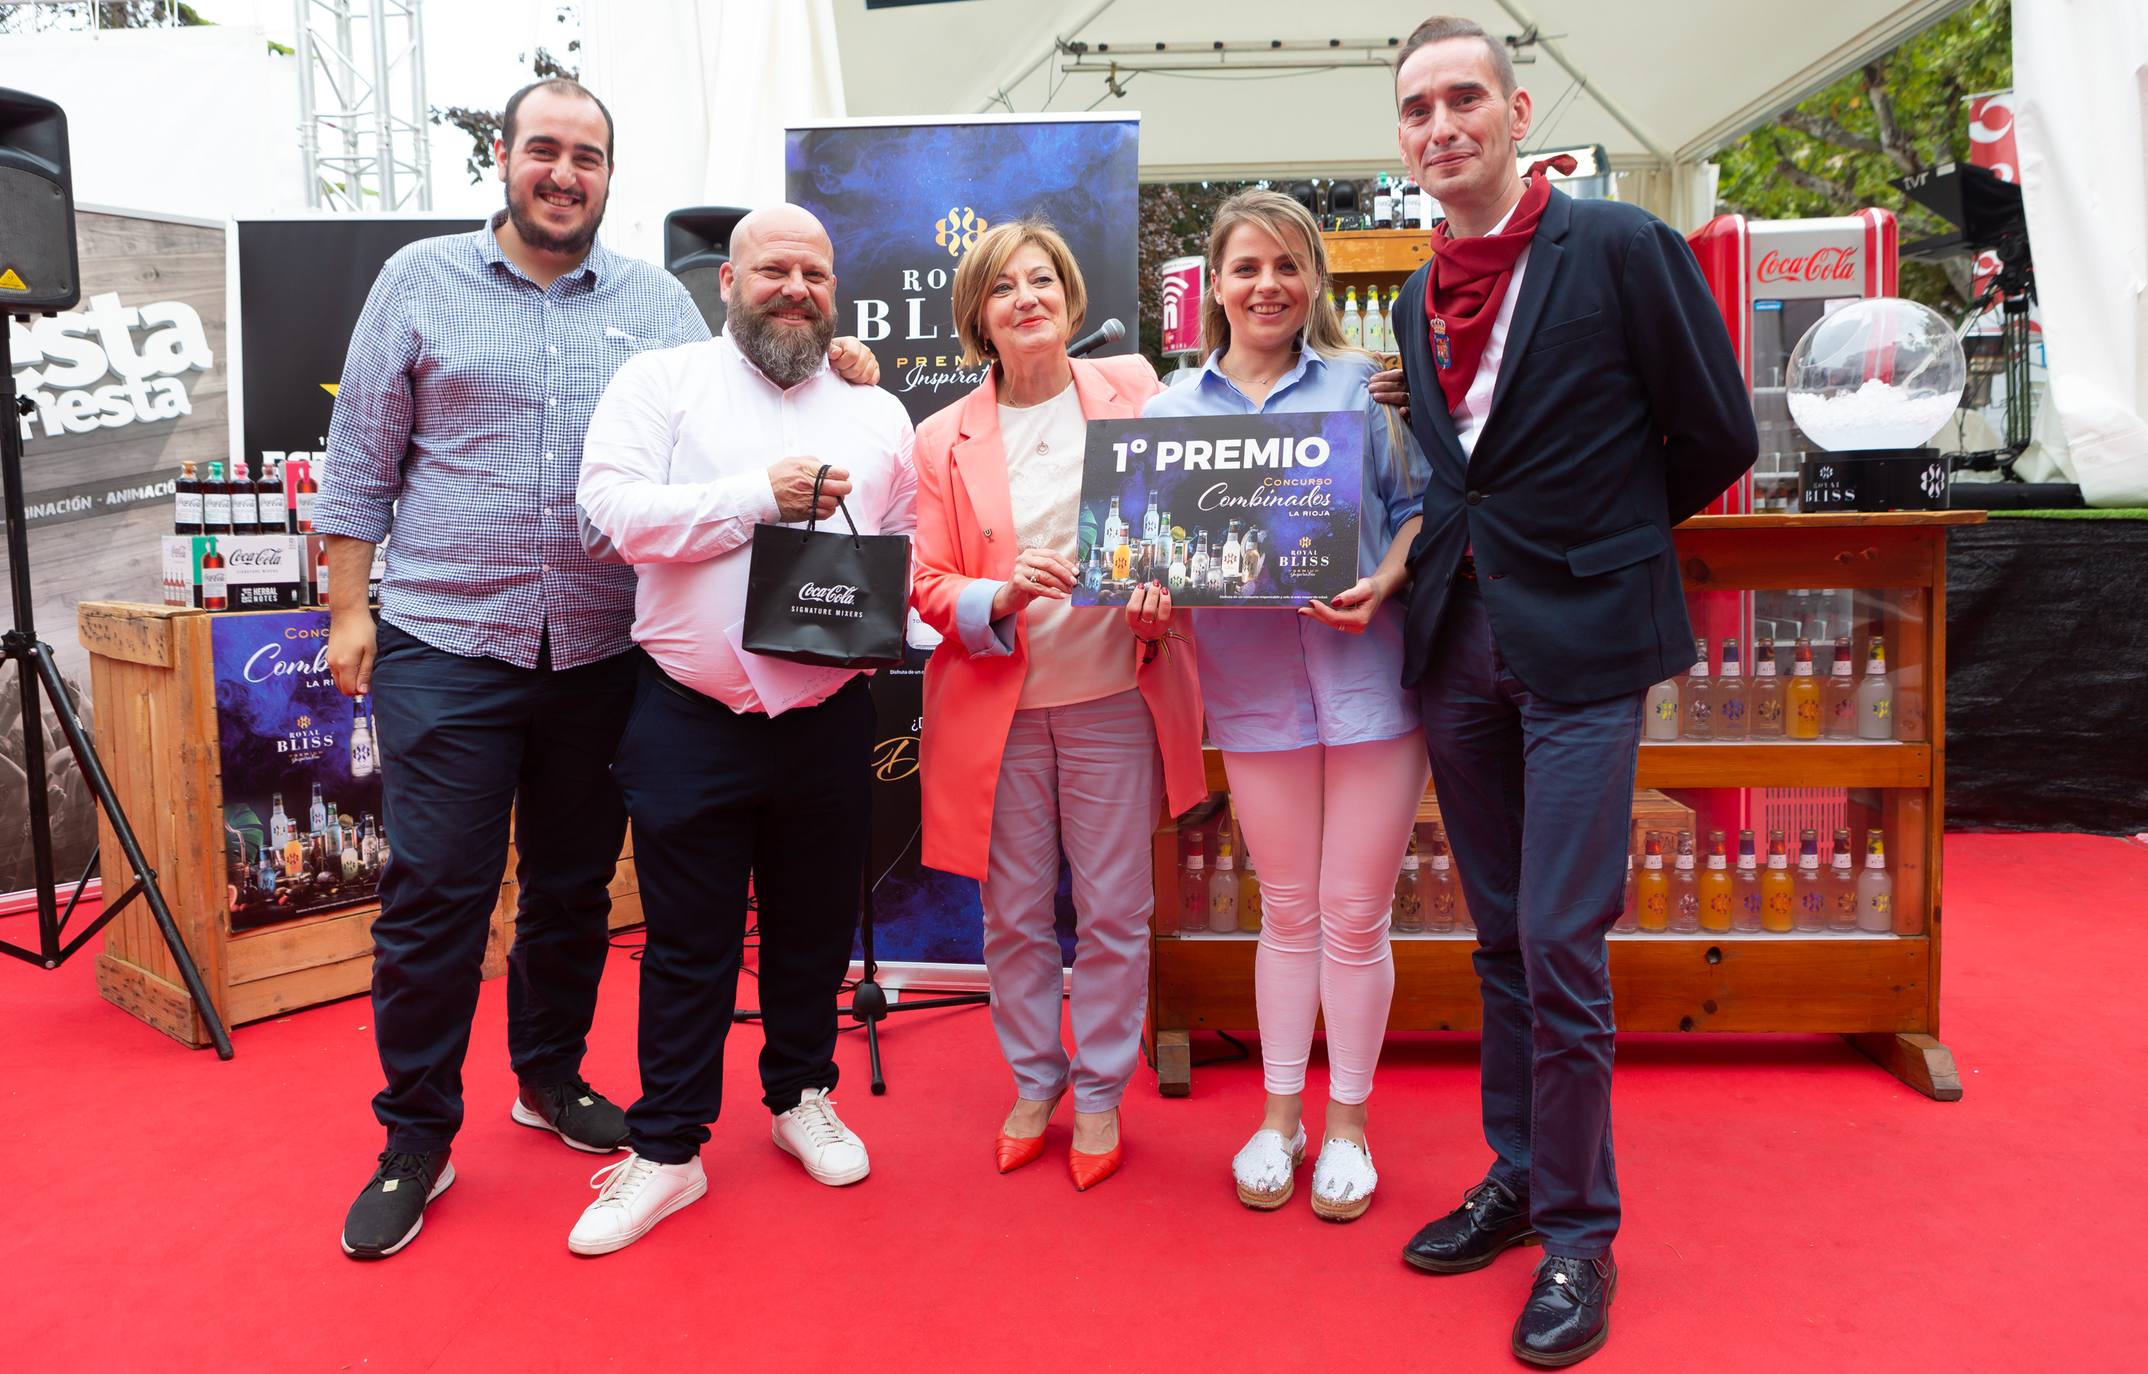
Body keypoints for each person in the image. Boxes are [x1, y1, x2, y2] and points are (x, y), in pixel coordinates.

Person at [320, 80, 879, 1262]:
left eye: (588, 157)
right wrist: (346, 611)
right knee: (437, 900)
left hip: (597, 652)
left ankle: (551, 1079)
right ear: (507, 160)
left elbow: (748, 390)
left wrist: (841, 368)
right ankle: (415, 1135)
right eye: (545, 151)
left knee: (575, 891)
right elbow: (360, 458)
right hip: (447, 639)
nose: (564, 173)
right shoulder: (418, 280)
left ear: (611, 176)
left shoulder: (651, 303)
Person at [1383, 19, 1756, 1367]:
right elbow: (1454, 474)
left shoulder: (1619, 249)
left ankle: (1582, 1233)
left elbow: (1720, 428)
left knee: (1557, 934)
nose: (1442, 125)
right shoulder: (1422, 291)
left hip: (1588, 638)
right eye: (1419, 108)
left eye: (1464, 97)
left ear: (1517, 107)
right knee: (1498, 936)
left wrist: (1604, 536)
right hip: (1458, 643)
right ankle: (1522, 1174)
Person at [565, 204, 917, 1255]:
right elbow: (611, 512)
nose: (795, 288)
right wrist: (752, 499)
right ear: (727, 280)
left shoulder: (875, 409)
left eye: (814, 271)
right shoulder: (660, 384)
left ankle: (801, 1092)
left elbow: (898, 544)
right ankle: (668, 1150)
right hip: (689, 716)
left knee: (811, 930)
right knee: (687, 945)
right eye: (774, 270)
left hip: (824, 716)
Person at [1142, 190, 1431, 1223]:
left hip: (1373, 687)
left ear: (1312, 280)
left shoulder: (1370, 388)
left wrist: (1389, 577)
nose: (1267, 285)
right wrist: (1150, 584)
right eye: (1246, 267)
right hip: (1254, 693)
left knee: (1357, 913)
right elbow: (1150, 560)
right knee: (1290, 910)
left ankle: (1347, 1122)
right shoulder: (1170, 416)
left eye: (1287, 266)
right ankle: (1278, 1116)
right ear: (1213, 285)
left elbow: (1420, 509)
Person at [909, 220, 1206, 1191]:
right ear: (978, 318)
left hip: (1116, 692)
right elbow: (924, 579)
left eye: (1043, 280)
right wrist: (998, 595)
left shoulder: (1139, 392)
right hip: (1000, 708)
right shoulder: (939, 439)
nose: (1027, 297)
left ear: (1072, 300)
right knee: (1016, 917)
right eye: (1005, 288)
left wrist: (1167, 585)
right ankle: (1035, 1082)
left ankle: (1105, 1090)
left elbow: (1192, 519)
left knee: (1119, 912)